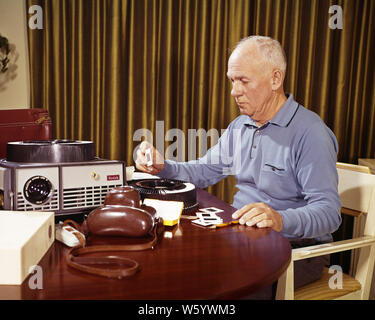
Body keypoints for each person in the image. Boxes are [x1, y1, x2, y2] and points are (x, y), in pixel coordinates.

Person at [135, 35, 342, 299]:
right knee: (175, 271)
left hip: (297, 250)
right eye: (232, 81)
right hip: (243, 239)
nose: (234, 91)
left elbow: (330, 214)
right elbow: (204, 171)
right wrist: (164, 166)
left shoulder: (311, 133)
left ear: (275, 79)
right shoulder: (240, 125)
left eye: (243, 80)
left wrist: (280, 219)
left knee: (223, 289)